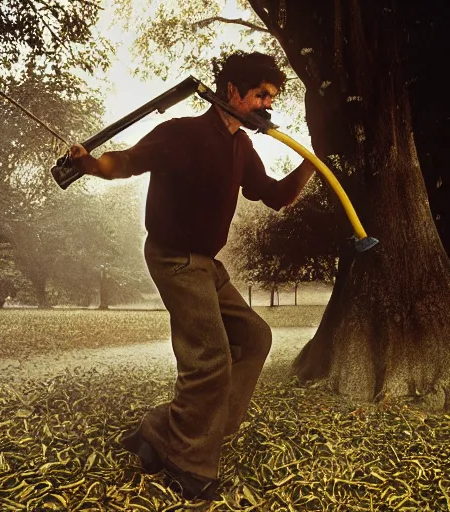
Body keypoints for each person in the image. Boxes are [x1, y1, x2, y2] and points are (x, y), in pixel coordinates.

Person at [68, 51, 316, 500]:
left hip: (207, 265)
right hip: (172, 258)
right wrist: (90, 164)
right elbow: (124, 162)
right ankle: (189, 461)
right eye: (259, 95)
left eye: (272, 97)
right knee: (210, 357)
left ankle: (166, 431)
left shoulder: (243, 148)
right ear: (232, 92)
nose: (266, 104)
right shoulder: (180, 133)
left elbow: (276, 196)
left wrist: (311, 165)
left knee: (256, 337)